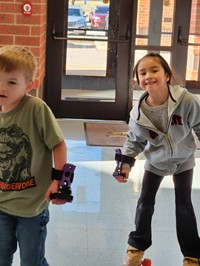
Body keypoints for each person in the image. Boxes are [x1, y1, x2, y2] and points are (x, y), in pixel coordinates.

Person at [114, 53, 200, 266]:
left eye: (154, 70)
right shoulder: (139, 113)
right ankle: (136, 248)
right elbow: (134, 141)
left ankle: (192, 255)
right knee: (145, 202)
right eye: (142, 73)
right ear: (138, 81)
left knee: (184, 204)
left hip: (183, 159)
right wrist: (125, 165)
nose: (148, 76)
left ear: (168, 75)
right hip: (156, 161)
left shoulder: (186, 100)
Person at [0, 45, 67, 266]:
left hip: (32, 205)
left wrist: (58, 180)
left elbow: (58, 144)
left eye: (11, 82)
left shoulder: (36, 109)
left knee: (31, 261)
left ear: (27, 86)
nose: (2, 87)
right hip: (2, 204)